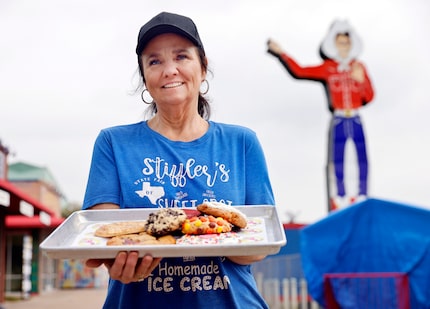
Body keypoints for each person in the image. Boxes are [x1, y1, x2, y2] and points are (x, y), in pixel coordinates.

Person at [83, 12, 275, 308]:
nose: (169, 70)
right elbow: (101, 235)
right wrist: (119, 262)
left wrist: (205, 231)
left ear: (203, 67)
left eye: (181, 56)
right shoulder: (113, 143)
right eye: (155, 61)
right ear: (145, 77)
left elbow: (259, 246)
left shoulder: (241, 143)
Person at [267, 20, 374, 210]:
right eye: (340, 43)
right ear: (333, 45)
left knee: (361, 157)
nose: (343, 47)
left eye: (346, 43)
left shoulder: (359, 67)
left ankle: (361, 195)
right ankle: (339, 196)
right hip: (339, 117)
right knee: (338, 158)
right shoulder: (329, 68)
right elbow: (300, 71)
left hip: (356, 117)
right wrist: (281, 53)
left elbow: (369, 95)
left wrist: (361, 81)